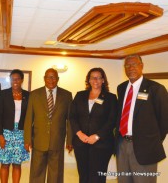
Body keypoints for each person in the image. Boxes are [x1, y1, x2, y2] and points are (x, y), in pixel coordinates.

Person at [115, 54, 168, 183]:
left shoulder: (156, 89)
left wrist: (152, 140)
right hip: (122, 144)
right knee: (123, 180)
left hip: (145, 147)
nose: (130, 68)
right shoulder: (121, 88)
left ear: (141, 66)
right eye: (127, 65)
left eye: (134, 64)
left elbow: (164, 120)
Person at [24, 68, 73, 183]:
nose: (51, 80)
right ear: (44, 79)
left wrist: (70, 140)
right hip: (38, 141)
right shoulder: (34, 94)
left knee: (56, 175)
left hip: (57, 141)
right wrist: (27, 139)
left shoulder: (66, 95)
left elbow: (70, 120)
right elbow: (28, 118)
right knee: (36, 173)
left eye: (54, 77)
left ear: (58, 79)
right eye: (48, 77)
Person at [69, 67, 117, 183]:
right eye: (92, 78)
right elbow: (72, 116)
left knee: (97, 177)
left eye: (99, 78)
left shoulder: (111, 98)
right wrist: (79, 134)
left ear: (103, 80)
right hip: (81, 143)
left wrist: (97, 136)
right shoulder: (80, 95)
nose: (95, 80)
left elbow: (112, 120)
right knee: (83, 175)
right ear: (88, 80)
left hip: (101, 144)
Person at [0, 69, 30, 183]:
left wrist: (28, 138)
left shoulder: (28, 96)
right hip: (6, 133)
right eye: (13, 79)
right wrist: (0, 135)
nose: (15, 81)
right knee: (5, 163)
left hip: (21, 134)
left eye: (18, 78)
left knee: (17, 164)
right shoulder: (3, 94)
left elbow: (30, 118)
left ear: (22, 80)